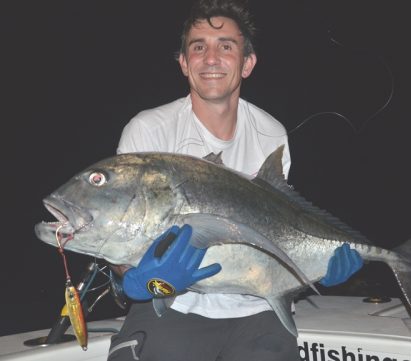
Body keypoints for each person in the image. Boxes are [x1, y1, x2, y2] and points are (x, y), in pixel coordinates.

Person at [107, 1, 363, 360]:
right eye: (198, 47)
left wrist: (315, 269)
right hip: (174, 304)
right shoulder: (149, 131)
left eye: (226, 46)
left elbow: (281, 227)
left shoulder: (271, 133)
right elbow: (121, 232)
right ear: (184, 62)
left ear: (247, 64)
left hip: (257, 308)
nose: (211, 58)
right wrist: (137, 279)